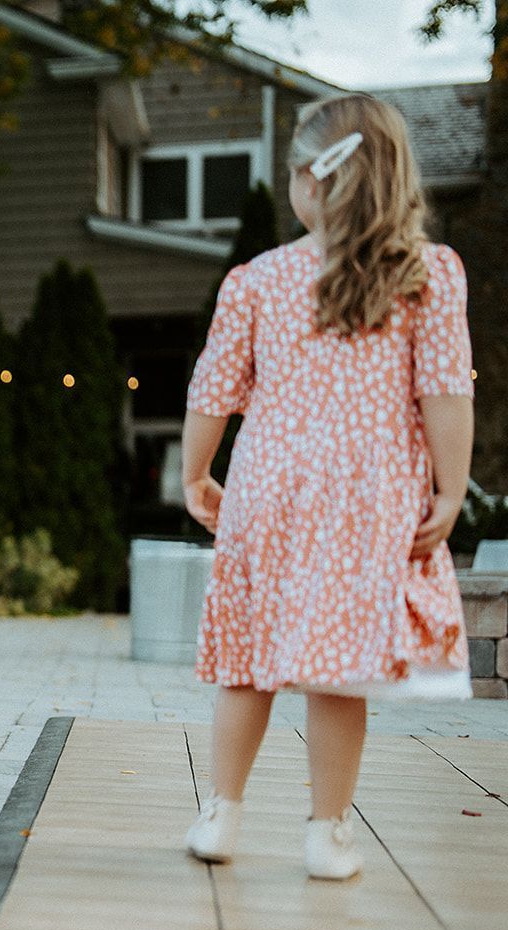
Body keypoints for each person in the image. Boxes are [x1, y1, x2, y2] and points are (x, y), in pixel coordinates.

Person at [181, 94, 474, 881]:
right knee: (337, 674)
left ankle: (221, 813)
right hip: (364, 503)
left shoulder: (258, 279)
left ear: (316, 179)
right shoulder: (427, 274)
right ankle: (325, 833)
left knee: (249, 662)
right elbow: (445, 391)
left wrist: (195, 471)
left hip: (267, 494)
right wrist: (451, 490)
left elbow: (213, 388)